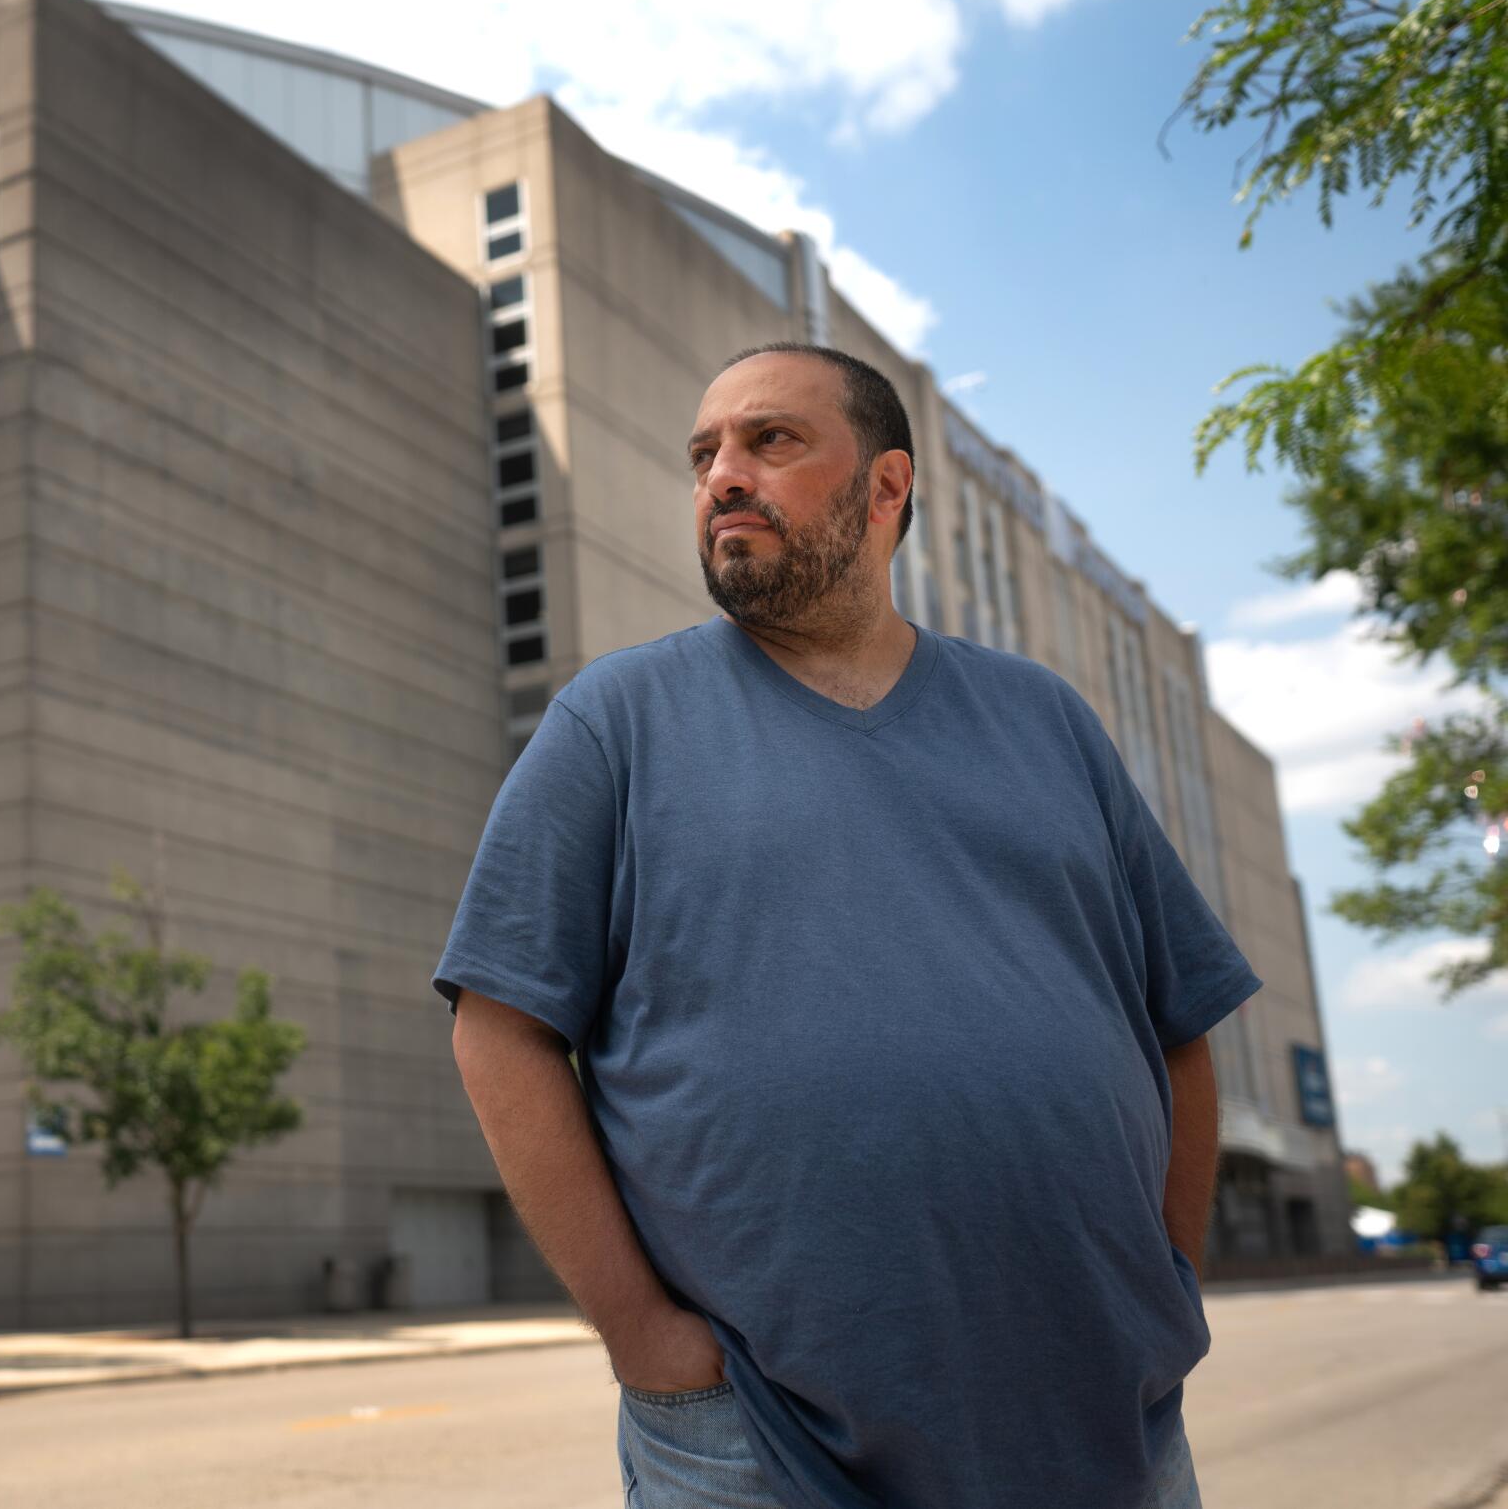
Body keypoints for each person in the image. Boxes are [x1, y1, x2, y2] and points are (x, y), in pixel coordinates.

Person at [432, 344, 1256, 1509]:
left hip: (1105, 1423)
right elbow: (498, 1025)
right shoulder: (614, 721)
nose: (721, 473)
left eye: (769, 440)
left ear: (885, 488)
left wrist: (1169, 1284)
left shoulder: (1044, 721)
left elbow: (1180, 1019)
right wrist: (640, 1336)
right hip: (760, 1442)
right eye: (703, 452)